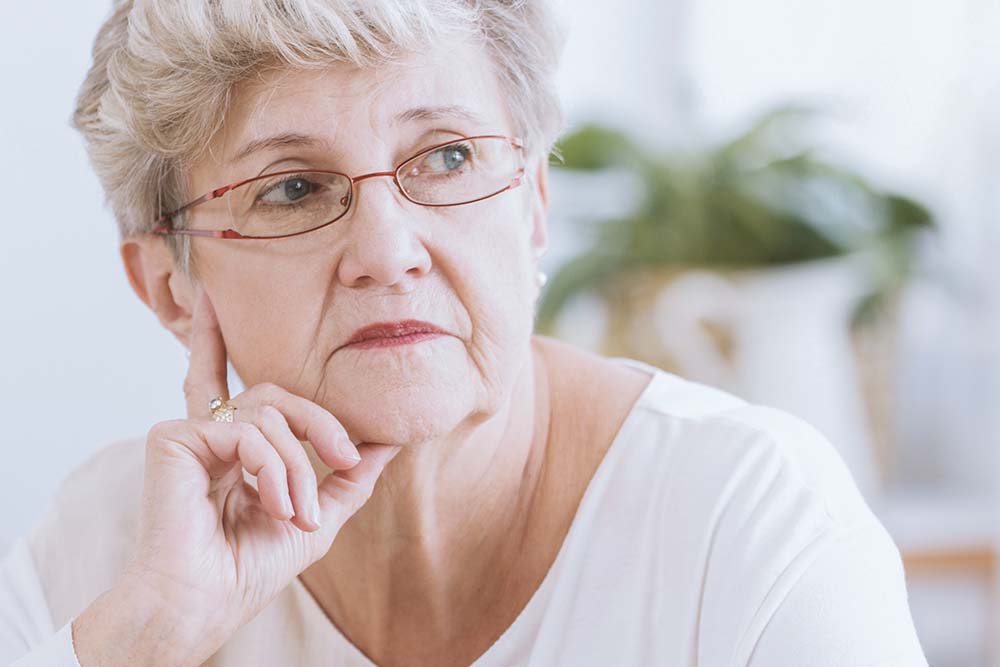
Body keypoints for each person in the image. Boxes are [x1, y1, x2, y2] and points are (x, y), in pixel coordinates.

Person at [2, 1, 928, 665]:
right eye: (293, 187)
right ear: (170, 284)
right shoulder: (107, 554)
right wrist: (152, 633)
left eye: (446, 157)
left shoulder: (752, 524)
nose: (388, 250)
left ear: (531, 205)